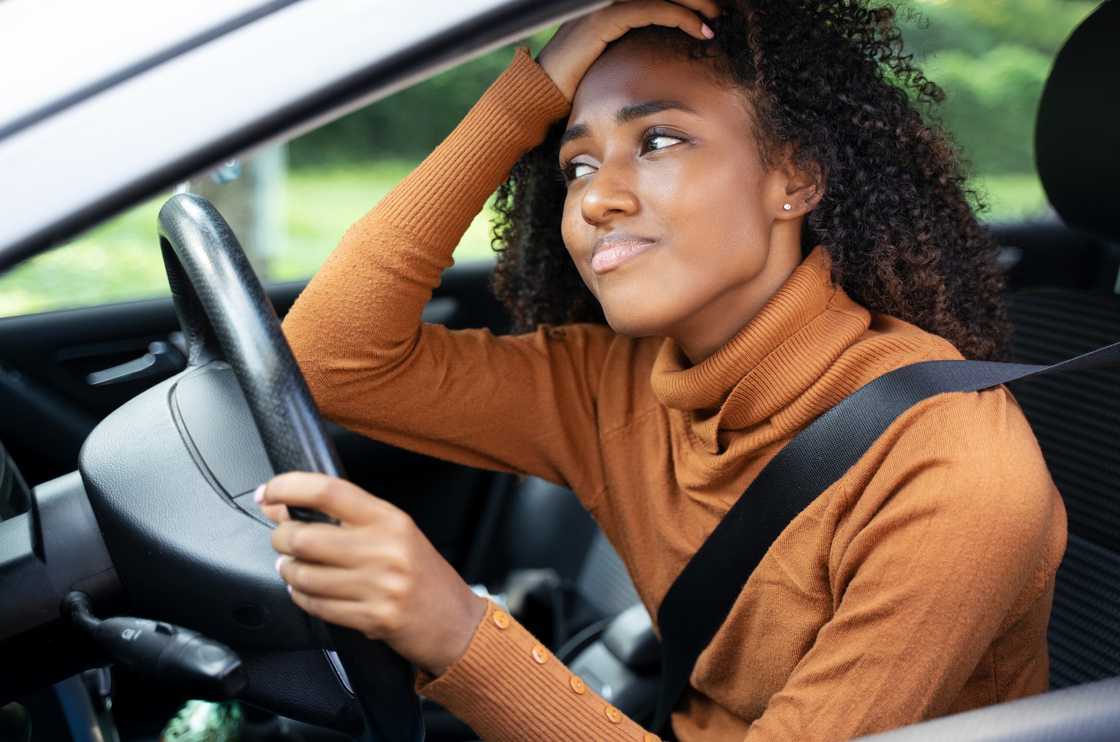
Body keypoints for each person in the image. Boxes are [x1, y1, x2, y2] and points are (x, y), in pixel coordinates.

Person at [260, 1, 1067, 739]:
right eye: (577, 166)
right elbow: (329, 360)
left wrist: (455, 631)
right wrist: (528, 93)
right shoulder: (613, 383)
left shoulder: (952, 466)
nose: (595, 200)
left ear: (794, 177)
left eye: (658, 141)